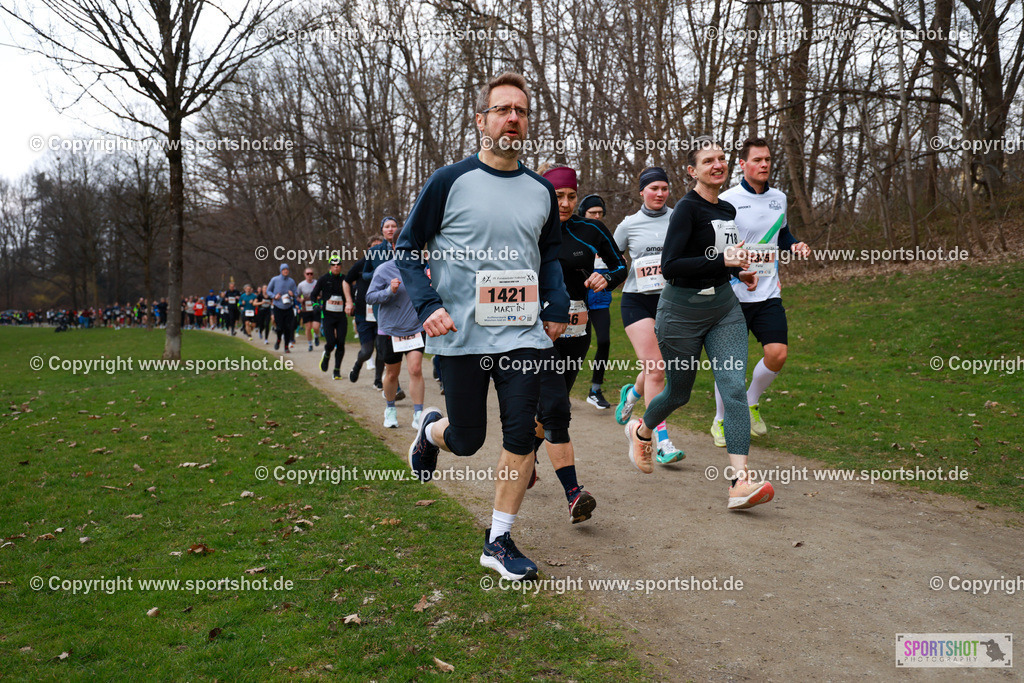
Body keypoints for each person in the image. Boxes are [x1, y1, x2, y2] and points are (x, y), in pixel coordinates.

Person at [399, 72, 569, 580]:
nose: (512, 118)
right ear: (482, 121)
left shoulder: (540, 190)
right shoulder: (449, 181)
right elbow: (407, 249)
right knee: (468, 438)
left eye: (520, 110)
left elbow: (549, 257)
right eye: (502, 109)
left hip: (522, 335)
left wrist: (555, 304)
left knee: (523, 430)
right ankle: (431, 431)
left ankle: (498, 539)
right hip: (461, 336)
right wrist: (427, 304)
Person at [623, 138, 774, 511]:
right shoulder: (685, 211)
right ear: (693, 171)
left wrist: (742, 272)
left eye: (722, 159)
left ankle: (740, 481)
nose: (718, 164)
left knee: (733, 389)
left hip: (723, 310)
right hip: (680, 314)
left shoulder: (725, 208)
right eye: (708, 160)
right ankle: (641, 431)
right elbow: (672, 266)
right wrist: (724, 262)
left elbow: (724, 258)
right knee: (679, 393)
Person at [533, 166, 627, 523]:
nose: (567, 203)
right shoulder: (531, 227)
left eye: (571, 195)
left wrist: (605, 277)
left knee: (549, 410)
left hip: (577, 333)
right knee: (556, 406)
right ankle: (574, 492)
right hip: (538, 334)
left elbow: (620, 265)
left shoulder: (590, 229)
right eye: (559, 196)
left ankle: (524, 456)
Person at [712, 138, 811, 445]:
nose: (764, 164)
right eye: (757, 160)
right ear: (742, 164)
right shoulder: (726, 199)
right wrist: (734, 269)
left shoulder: (779, 198)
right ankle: (720, 421)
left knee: (777, 354)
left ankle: (751, 402)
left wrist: (794, 244)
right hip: (733, 293)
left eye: (767, 159)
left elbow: (781, 234)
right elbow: (719, 247)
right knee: (731, 363)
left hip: (768, 292)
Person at [612, 167, 685, 463]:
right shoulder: (628, 225)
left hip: (672, 302)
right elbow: (611, 260)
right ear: (642, 191)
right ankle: (661, 441)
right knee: (657, 369)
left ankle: (631, 395)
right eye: (653, 188)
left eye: (664, 188)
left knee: (655, 366)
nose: (659, 193)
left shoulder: (680, 219)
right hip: (637, 302)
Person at [367, 257, 427, 428]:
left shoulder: (421, 267)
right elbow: (369, 297)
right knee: (392, 373)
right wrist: (389, 291)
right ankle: (390, 409)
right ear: (394, 247)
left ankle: (418, 414)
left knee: (415, 369)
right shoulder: (383, 269)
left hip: (415, 327)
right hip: (390, 330)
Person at [577, 194, 616, 410]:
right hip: (577, 301)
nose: (597, 216)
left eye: (600, 213)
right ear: (583, 214)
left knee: (604, 342)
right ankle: (561, 389)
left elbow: (617, 265)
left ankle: (595, 390)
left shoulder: (606, 237)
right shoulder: (576, 233)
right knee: (572, 346)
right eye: (593, 213)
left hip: (601, 301)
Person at [346, 237, 387, 387]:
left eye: (379, 246)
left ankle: (378, 380)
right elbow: (346, 281)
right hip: (364, 314)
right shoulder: (361, 264)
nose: (376, 250)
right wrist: (349, 301)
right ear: (368, 249)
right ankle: (358, 364)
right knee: (367, 351)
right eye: (373, 247)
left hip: (382, 314)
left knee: (382, 350)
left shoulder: (387, 264)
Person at [311, 255, 353, 379]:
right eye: (334, 265)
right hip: (328, 316)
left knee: (340, 343)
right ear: (330, 266)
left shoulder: (345, 280)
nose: (336, 267)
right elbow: (314, 294)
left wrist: (352, 304)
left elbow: (351, 295)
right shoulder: (324, 279)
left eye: (338, 265)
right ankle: (327, 354)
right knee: (331, 342)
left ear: (340, 266)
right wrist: (315, 305)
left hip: (341, 316)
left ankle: (336, 370)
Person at [267, 263, 297, 352]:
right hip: (278, 307)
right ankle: (279, 339)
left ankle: (286, 347)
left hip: (288, 307)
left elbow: (296, 293)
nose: (286, 271)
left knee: (288, 328)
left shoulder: (291, 281)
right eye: (284, 269)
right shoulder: (275, 280)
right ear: (281, 271)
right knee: (279, 327)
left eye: (287, 269)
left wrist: (293, 294)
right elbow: (268, 291)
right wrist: (274, 296)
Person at [296, 267, 321, 352]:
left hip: (315, 307)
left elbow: (322, 294)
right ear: (305, 275)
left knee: (316, 327)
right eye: (308, 274)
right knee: (308, 327)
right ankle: (310, 344)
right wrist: (300, 300)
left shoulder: (317, 283)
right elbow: (297, 296)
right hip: (305, 308)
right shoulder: (301, 285)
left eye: (311, 273)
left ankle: (316, 336)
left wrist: (318, 297)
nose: (310, 275)